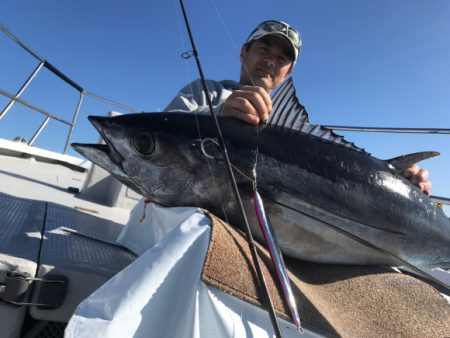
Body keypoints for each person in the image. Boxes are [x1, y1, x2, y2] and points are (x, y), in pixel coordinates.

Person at [165, 20, 432, 195]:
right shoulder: (205, 91)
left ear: (288, 73)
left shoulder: (293, 130)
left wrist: (399, 183)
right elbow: (163, 132)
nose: (270, 61)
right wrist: (217, 116)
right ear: (243, 52)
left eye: (281, 58)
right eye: (264, 49)